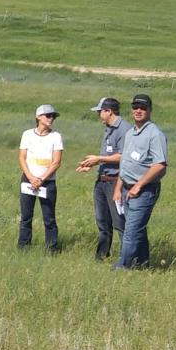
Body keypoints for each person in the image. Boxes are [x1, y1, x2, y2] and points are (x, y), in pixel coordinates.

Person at [112, 94, 167, 269]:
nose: (138, 111)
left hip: (144, 190)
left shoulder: (154, 134)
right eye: (135, 107)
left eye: (143, 108)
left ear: (150, 110)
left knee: (131, 232)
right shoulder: (130, 133)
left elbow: (160, 165)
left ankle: (122, 267)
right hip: (127, 189)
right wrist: (118, 189)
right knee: (138, 230)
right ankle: (142, 264)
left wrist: (138, 185)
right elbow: (125, 163)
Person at [76, 97, 127, 260]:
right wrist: (92, 163)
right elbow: (108, 155)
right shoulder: (108, 128)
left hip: (115, 181)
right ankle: (101, 254)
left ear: (109, 111)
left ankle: (128, 257)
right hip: (102, 180)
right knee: (102, 222)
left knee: (120, 223)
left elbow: (123, 156)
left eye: (100, 111)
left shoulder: (124, 129)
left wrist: (98, 159)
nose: (98, 115)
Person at [17, 104, 64, 252]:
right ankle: (23, 246)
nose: (51, 119)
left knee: (49, 218)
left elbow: (56, 162)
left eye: (53, 117)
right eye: (48, 116)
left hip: (47, 182)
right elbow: (22, 158)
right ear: (38, 117)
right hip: (28, 181)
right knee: (26, 216)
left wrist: (41, 179)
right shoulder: (27, 135)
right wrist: (31, 178)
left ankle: (52, 248)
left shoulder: (56, 136)